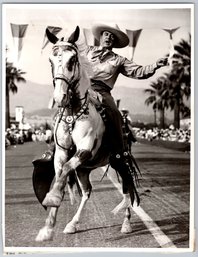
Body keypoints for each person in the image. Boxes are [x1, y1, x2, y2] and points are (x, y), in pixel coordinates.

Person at [35, 23, 167, 198]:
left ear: (115, 42)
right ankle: (53, 150)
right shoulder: (86, 51)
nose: (109, 37)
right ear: (101, 37)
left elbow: (139, 72)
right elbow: (68, 54)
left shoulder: (119, 60)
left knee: (115, 115)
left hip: (103, 93)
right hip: (81, 89)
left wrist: (155, 65)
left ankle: (120, 154)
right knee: (60, 114)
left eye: (112, 36)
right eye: (106, 34)